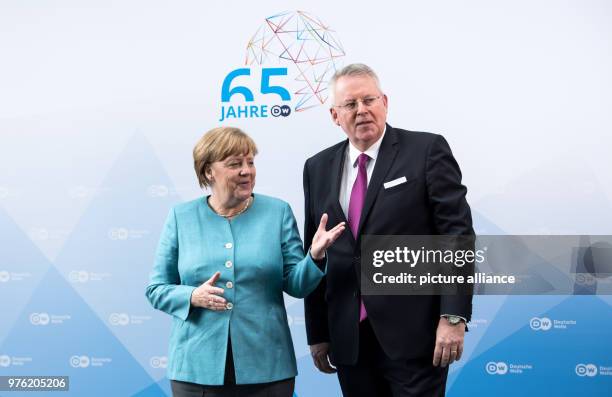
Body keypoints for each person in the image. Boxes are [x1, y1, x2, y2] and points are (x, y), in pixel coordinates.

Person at [303, 64, 474, 396]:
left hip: (417, 336)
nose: (362, 110)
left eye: (369, 100)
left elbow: (457, 237)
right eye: (350, 104)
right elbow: (315, 250)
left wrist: (453, 315)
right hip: (349, 339)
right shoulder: (317, 167)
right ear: (335, 115)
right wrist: (318, 331)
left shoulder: (426, 151)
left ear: (385, 102)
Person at [146, 127, 345, 397]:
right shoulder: (181, 217)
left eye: (250, 162)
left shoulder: (278, 212)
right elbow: (156, 289)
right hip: (195, 367)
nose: (246, 171)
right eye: (234, 164)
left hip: (268, 366)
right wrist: (193, 295)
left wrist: (315, 256)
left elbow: (297, 285)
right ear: (208, 172)